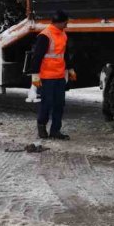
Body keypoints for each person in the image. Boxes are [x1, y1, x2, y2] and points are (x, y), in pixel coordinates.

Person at [31, 10, 76, 139]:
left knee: (59, 104)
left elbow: (64, 54)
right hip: (47, 78)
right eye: (65, 22)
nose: (67, 25)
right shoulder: (45, 36)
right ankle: (41, 126)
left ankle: (55, 130)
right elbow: (37, 56)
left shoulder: (63, 34)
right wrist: (35, 74)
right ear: (59, 22)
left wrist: (70, 68)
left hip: (59, 76)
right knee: (47, 103)